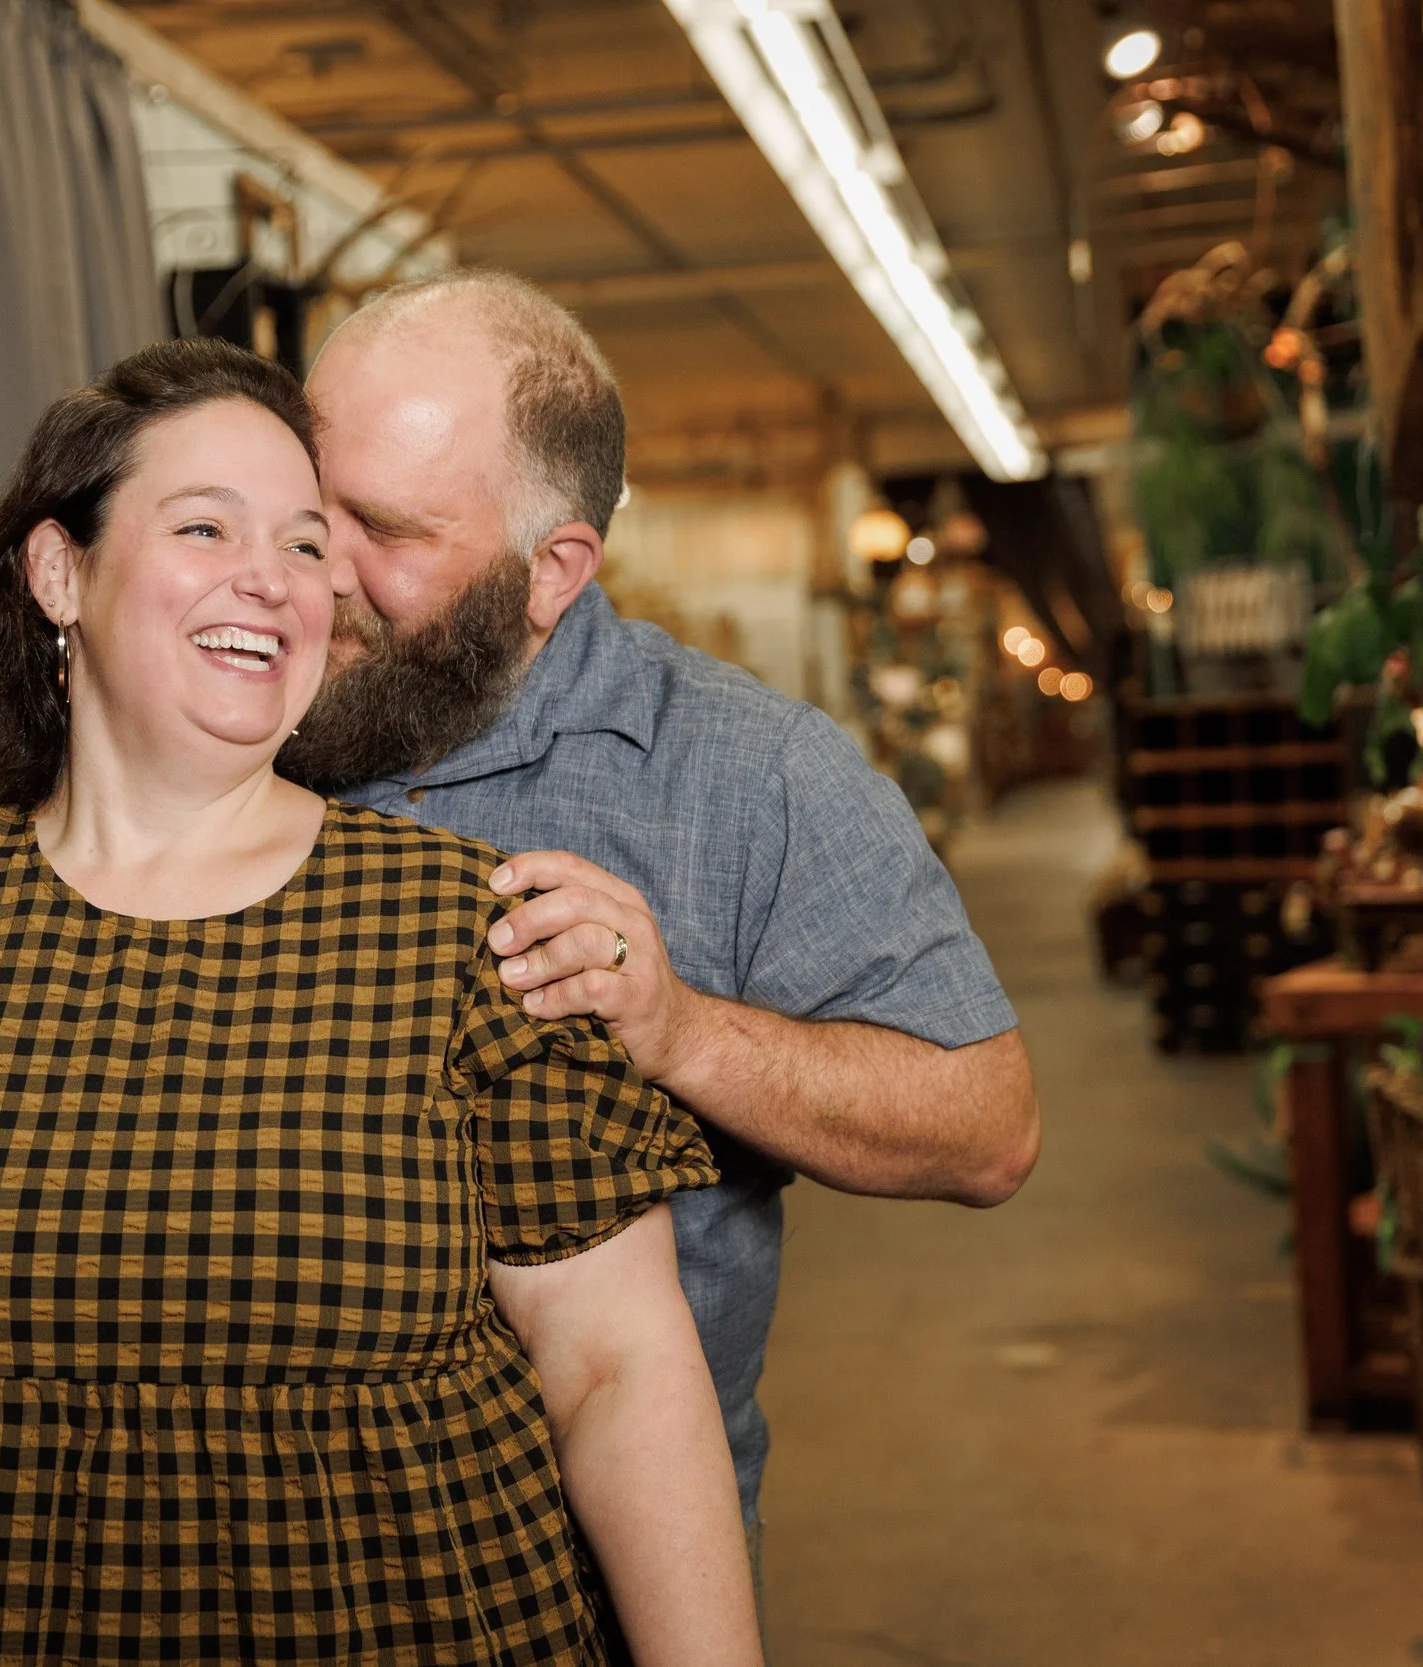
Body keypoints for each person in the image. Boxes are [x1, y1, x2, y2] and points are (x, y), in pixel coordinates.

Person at [0, 339, 762, 1665]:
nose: (270, 580)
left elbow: (619, 1376)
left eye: (303, 548)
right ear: (59, 571)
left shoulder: (476, 935)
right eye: (204, 526)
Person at [279, 271, 1042, 1551]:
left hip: (588, 1551)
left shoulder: (751, 772)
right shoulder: (244, 706)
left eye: (388, 531)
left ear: (551, 569)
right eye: (309, 510)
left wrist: (682, 1031)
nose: (319, 573)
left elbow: (986, 1125)